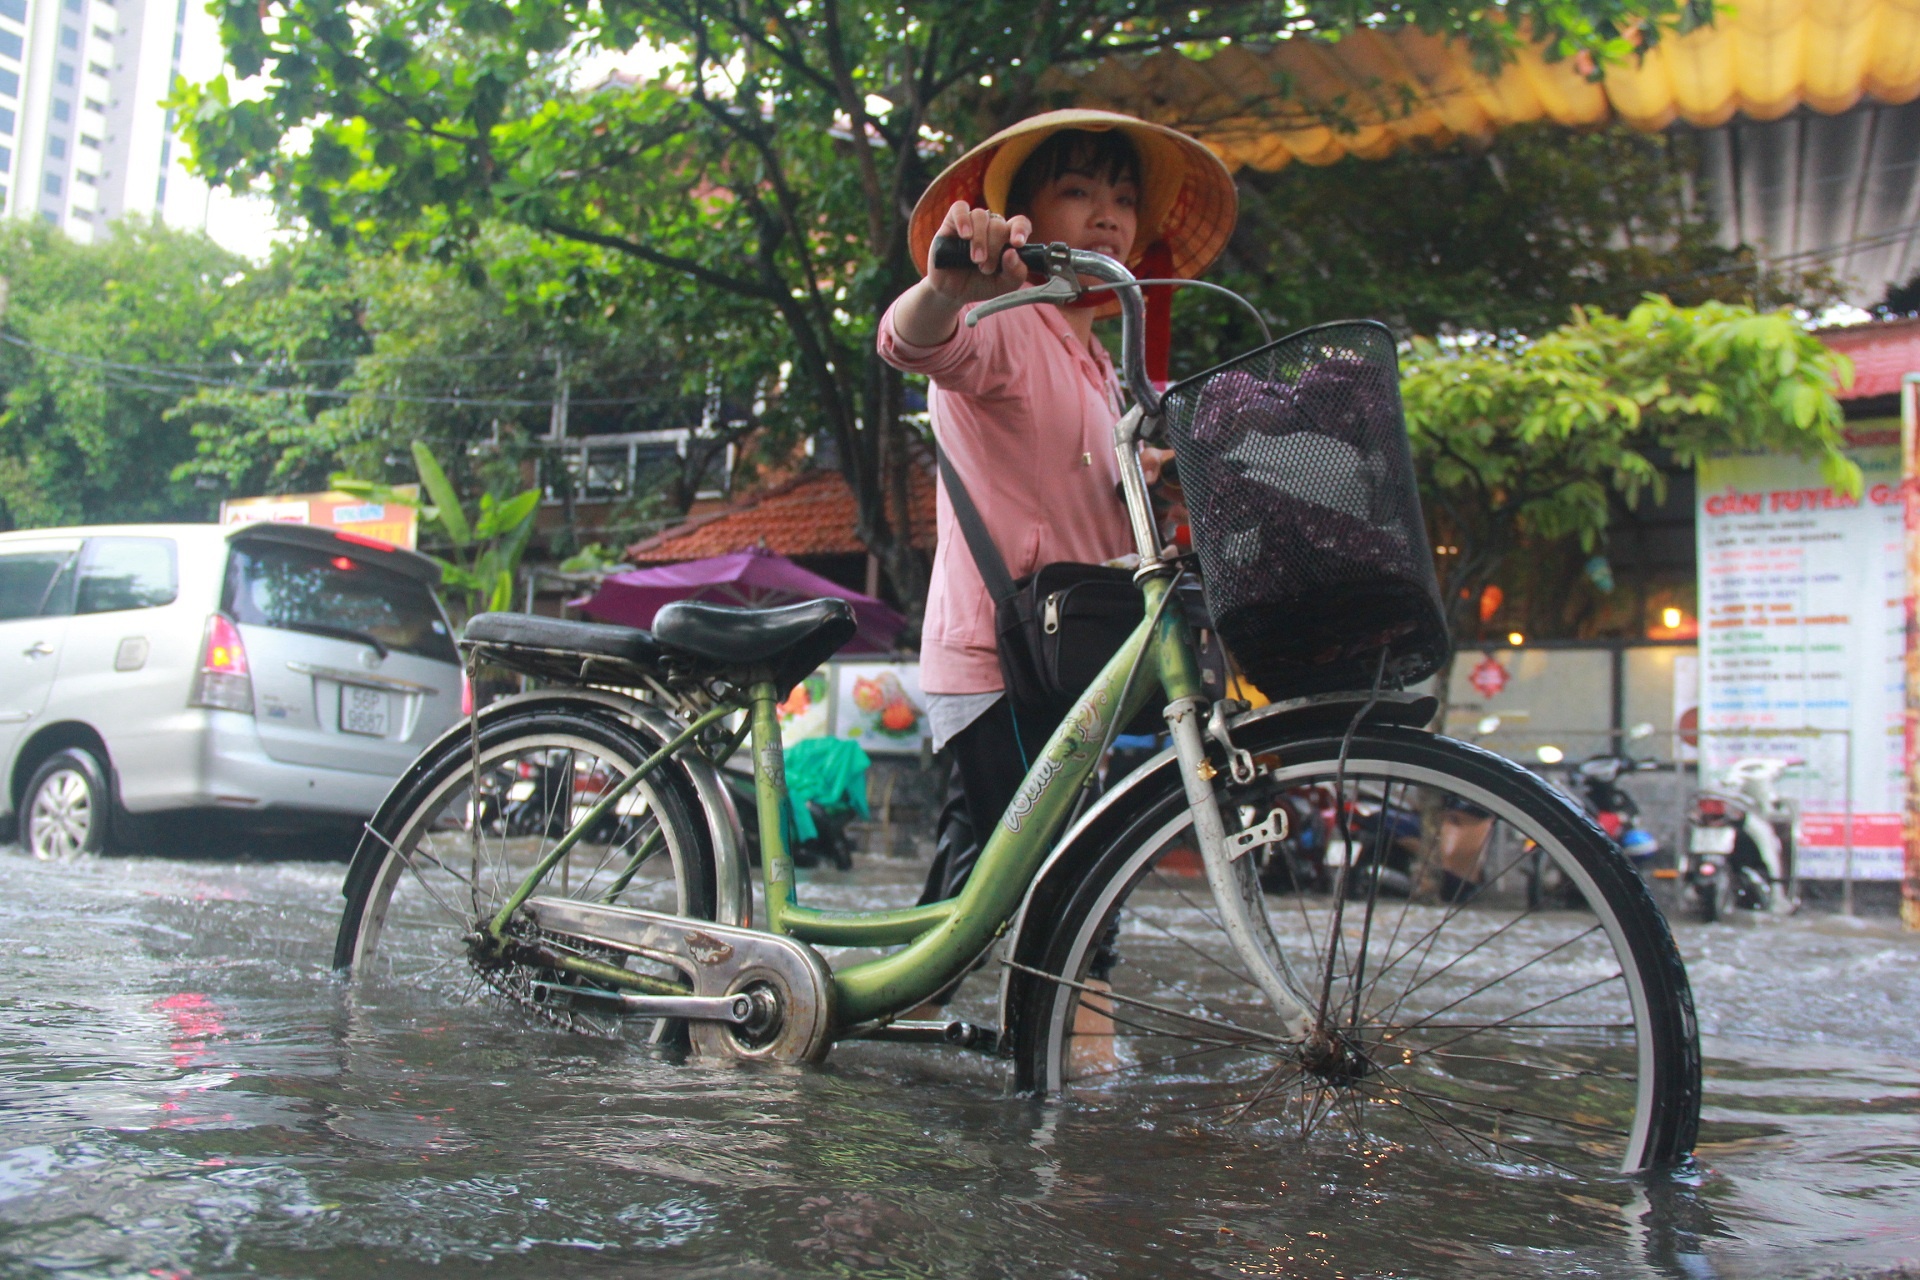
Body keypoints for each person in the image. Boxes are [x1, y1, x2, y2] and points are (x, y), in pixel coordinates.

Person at [877, 109, 1237, 906]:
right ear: (1027, 220)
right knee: (1071, 878)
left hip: (1071, 651)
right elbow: (914, 345)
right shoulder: (1002, 322)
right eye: (1078, 190)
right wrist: (943, 289)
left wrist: (1151, 475)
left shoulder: (1096, 359)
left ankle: (902, 1007)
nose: (1108, 213)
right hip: (1007, 657)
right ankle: (1084, 1032)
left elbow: (1076, 475)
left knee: (983, 870)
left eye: (1123, 198)